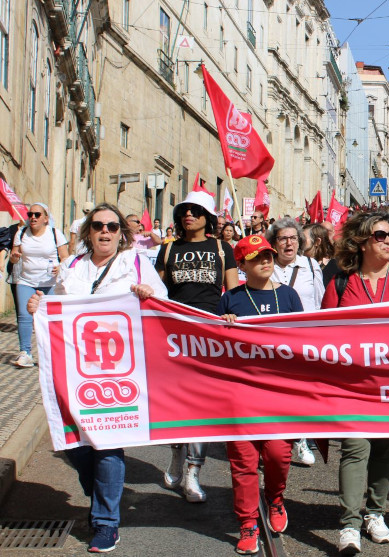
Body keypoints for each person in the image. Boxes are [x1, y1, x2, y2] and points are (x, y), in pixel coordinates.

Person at [27, 202, 166, 553]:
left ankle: (105, 522)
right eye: (99, 225)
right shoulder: (73, 266)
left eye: (113, 226)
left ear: (122, 233)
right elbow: (56, 310)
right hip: (73, 370)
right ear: (89, 231)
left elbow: (162, 307)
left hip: (119, 370)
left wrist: (148, 297)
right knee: (75, 444)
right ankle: (103, 493)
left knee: (106, 443)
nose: (105, 231)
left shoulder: (135, 264)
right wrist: (38, 306)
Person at [322, 211, 389, 555]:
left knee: (383, 449)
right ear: (363, 241)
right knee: (355, 448)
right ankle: (351, 523)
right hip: (352, 384)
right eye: (381, 235)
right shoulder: (341, 282)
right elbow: (321, 333)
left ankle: (376, 513)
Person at [217, 235, 303, 554]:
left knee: (278, 455)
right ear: (241, 265)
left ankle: (275, 498)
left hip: (279, 393)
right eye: (256, 257)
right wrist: (222, 326)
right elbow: (211, 346)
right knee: (243, 460)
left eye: (268, 255)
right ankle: (248, 521)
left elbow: (305, 340)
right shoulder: (231, 299)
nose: (266, 261)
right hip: (240, 393)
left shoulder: (290, 296)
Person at [155, 191, 239, 503]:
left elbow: (232, 291)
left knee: (202, 405)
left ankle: (193, 471)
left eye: (195, 210)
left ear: (208, 216)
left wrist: (233, 318)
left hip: (209, 332)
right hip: (173, 333)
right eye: (184, 210)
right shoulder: (168, 249)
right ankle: (177, 454)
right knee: (176, 402)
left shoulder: (221, 247)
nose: (188, 215)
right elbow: (157, 292)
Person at [266, 217, 324, 468]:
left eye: (293, 238)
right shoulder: (266, 265)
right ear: (274, 243)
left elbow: (320, 302)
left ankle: (300, 438)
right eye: (282, 239)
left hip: (304, 338)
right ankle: (271, 439)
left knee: (300, 392)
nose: (288, 243)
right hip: (272, 340)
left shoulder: (311, 266)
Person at [10, 203, 68, 367]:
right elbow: (14, 257)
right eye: (30, 214)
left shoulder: (54, 234)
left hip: (50, 283)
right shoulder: (21, 233)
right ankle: (25, 352)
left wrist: (60, 266)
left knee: (52, 318)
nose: (33, 217)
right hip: (26, 280)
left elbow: (65, 257)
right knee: (24, 315)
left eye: (37, 214)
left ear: (46, 218)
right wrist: (15, 256)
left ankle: (54, 353)